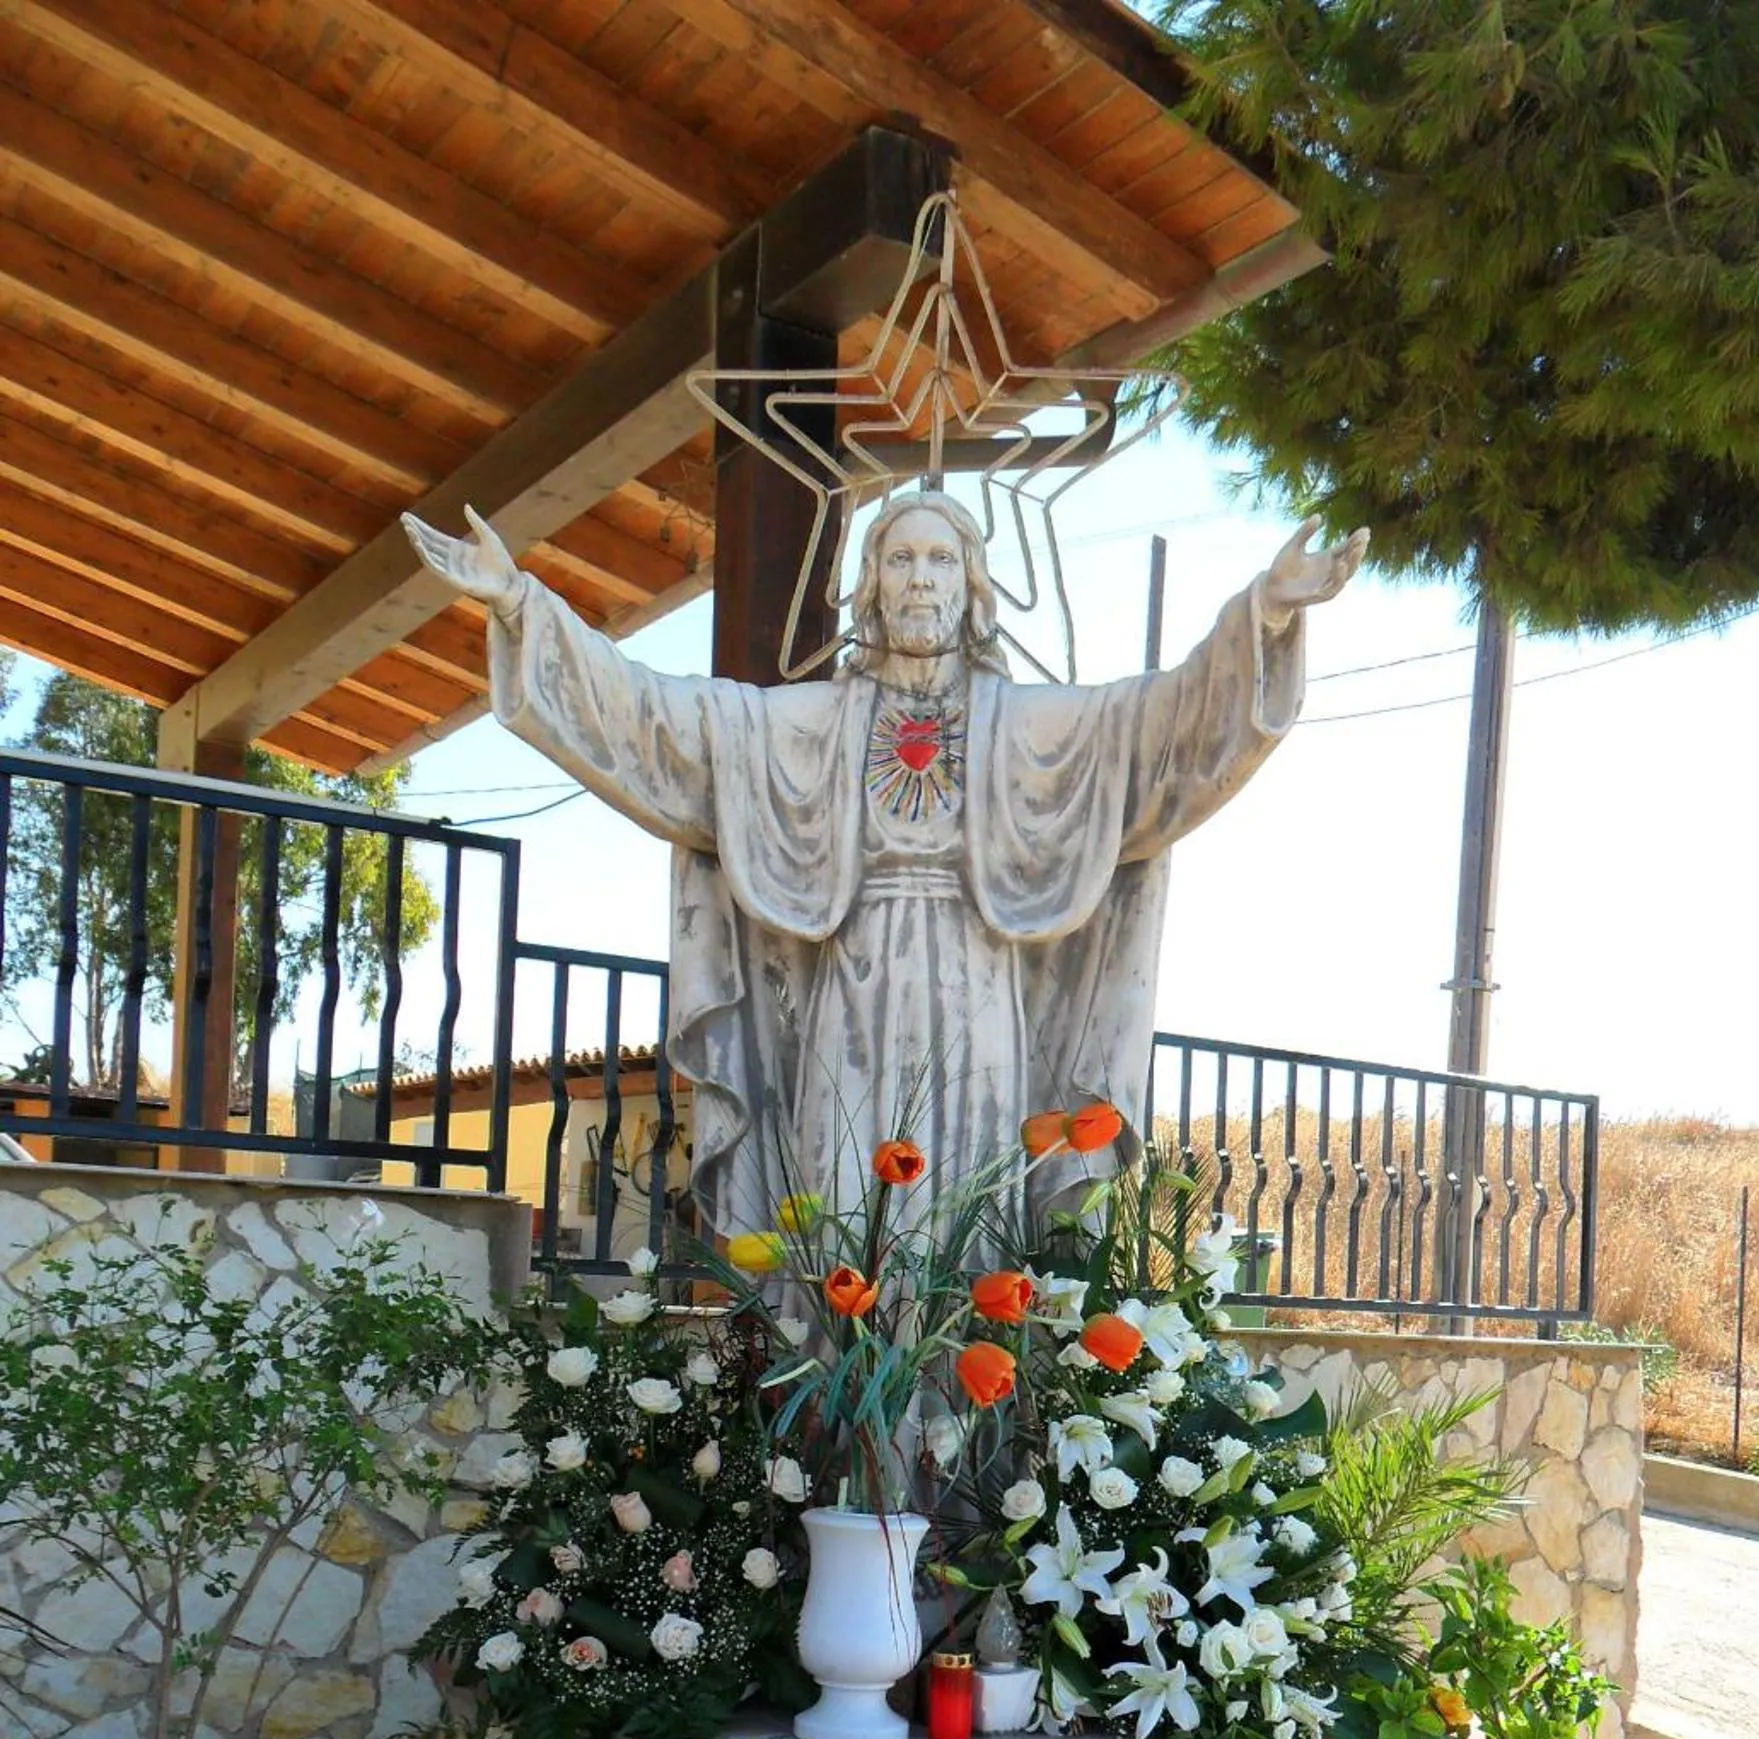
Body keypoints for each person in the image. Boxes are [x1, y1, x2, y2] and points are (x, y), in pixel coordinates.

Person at [403, 489, 1366, 1239]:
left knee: (970, 1207)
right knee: (841, 1187)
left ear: (969, 584)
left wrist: (1265, 615)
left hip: (981, 989)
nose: (919, 578)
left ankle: (965, 1448)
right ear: (871, 584)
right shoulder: (811, 722)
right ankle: (839, 1447)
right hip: (850, 989)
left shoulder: (1035, 722)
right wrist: (524, 604)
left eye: (940, 559)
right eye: (898, 558)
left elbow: (1166, 724)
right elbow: (660, 718)